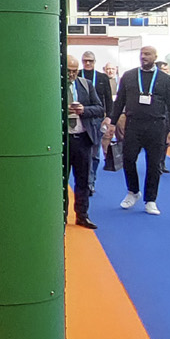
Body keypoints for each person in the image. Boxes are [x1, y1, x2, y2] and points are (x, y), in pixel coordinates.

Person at [110, 45, 170, 215]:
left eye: (148, 54)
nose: (144, 57)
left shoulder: (165, 79)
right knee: (128, 159)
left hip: (157, 126)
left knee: (154, 164)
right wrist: (112, 123)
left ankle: (151, 200)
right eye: (142, 54)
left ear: (155, 57)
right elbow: (119, 101)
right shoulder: (129, 76)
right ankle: (133, 191)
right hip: (133, 124)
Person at [64, 59, 101, 230]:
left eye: (75, 71)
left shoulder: (86, 85)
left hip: (83, 138)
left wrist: (84, 110)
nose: (71, 74)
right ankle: (62, 216)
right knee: (61, 181)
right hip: (63, 140)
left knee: (83, 180)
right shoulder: (55, 84)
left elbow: (99, 108)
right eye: (68, 71)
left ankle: (82, 215)